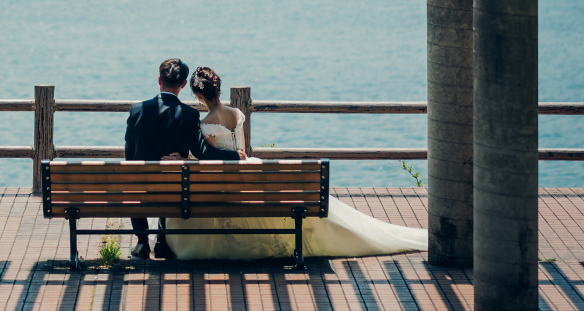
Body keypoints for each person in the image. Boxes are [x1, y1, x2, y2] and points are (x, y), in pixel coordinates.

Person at [164, 66, 429, 261]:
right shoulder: (237, 113)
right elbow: (242, 151)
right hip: (247, 173)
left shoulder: (206, 124)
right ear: (218, 89)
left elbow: (207, 159)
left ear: (199, 97)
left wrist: (181, 159)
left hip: (227, 183)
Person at [125, 57, 242, 260]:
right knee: (172, 182)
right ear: (183, 84)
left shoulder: (137, 110)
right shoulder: (188, 114)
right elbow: (203, 153)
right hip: (175, 189)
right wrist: (234, 156)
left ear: (159, 80)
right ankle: (162, 241)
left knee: (136, 180)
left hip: (142, 187)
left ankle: (143, 242)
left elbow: (130, 154)